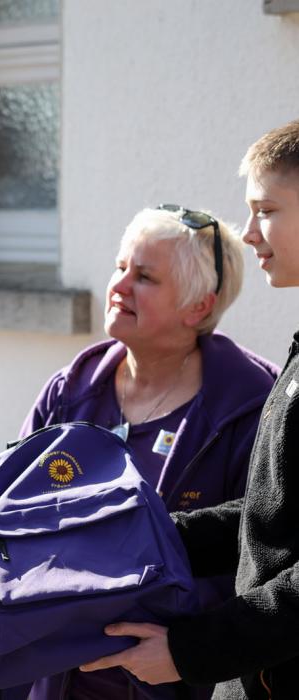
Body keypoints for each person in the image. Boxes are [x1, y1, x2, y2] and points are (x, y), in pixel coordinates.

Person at [79, 119, 299, 698]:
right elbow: (270, 520)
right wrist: (144, 534)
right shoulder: (74, 382)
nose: (251, 234)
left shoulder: (246, 393)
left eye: (266, 209)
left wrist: (189, 649)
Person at [20, 206, 277, 699]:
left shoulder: (249, 407)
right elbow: (8, 517)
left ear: (198, 306)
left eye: (144, 277)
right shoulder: (70, 392)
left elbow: (261, 560)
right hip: (56, 681)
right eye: (120, 268)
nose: (119, 286)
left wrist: (164, 621)